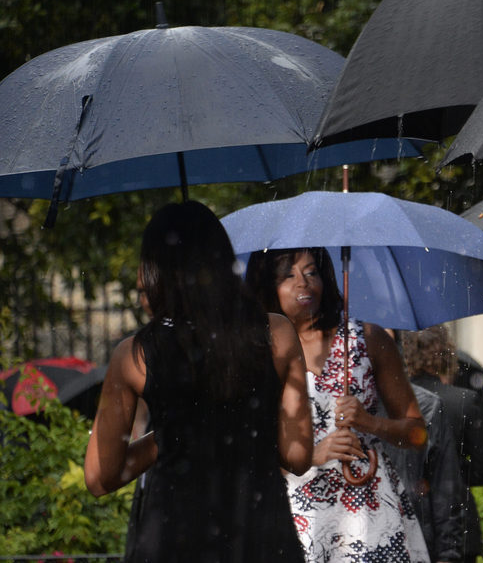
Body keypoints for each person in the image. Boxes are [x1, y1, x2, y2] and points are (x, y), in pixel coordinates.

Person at [84, 201, 313, 562]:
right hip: (260, 536)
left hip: (174, 539)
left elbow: (100, 478)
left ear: (155, 269)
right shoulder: (279, 334)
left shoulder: (134, 356)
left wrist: (167, 435)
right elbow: (298, 457)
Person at [245, 247, 429, 562]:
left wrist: (371, 423)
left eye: (311, 271)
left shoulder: (368, 338)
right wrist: (308, 456)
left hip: (370, 516)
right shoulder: (254, 353)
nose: (303, 283)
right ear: (266, 286)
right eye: (288, 275)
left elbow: (417, 435)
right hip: (295, 514)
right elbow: (244, 448)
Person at [402, 326, 483, 563]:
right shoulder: (462, 401)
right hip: (458, 523)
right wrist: (451, 472)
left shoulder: (396, 401)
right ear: (446, 352)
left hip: (407, 519)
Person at [379, 332, 466, 563]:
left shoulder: (427, 405)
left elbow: (444, 488)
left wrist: (448, 555)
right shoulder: (328, 403)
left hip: (412, 538)